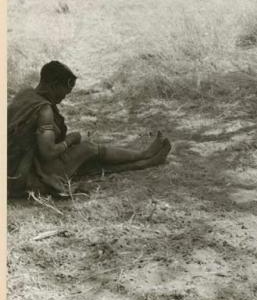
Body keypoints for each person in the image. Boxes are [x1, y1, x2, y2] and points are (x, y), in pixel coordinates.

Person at [7, 61, 171, 199]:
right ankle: (144, 156)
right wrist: (71, 139)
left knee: (86, 161)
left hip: (11, 170)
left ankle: (146, 159)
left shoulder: (25, 94)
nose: (64, 98)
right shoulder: (44, 110)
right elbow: (48, 152)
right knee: (89, 149)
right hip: (27, 176)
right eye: (63, 93)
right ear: (54, 85)